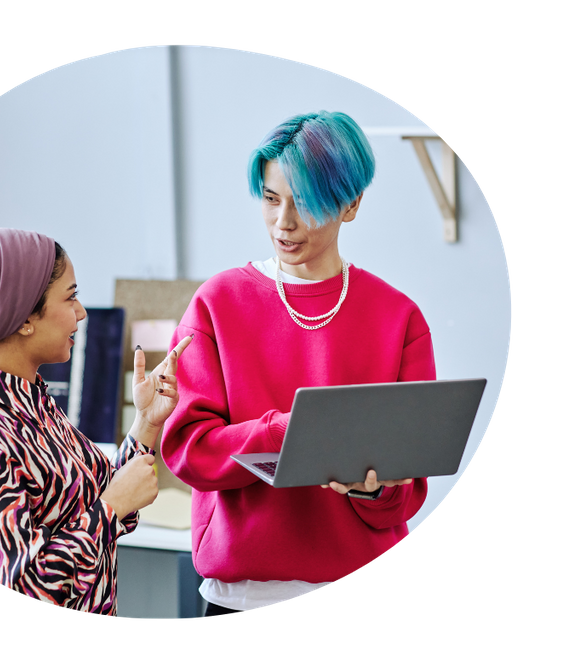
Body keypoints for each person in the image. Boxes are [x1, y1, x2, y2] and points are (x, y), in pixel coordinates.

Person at [161, 111, 436, 617]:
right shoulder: (216, 304)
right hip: (242, 599)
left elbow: (407, 495)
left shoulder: (399, 318)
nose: (283, 222)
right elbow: (190, 453)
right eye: (270, 199)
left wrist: (372, 493)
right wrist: (287, 432)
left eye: (305, 203)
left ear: (350, 204)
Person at [0, 228, 192, 616]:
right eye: (71, 296)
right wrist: (112, 508)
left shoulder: (29, 398)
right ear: (25, 316)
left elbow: (89, 504)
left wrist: (145, 422)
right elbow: (24, 586)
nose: (82, 313)